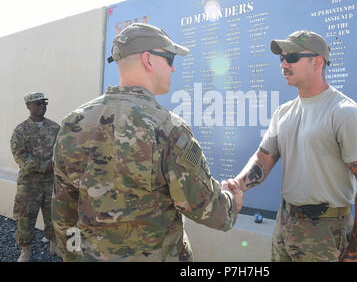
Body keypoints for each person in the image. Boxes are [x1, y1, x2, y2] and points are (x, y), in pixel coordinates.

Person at [51, 23, 243, 262]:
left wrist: (73, 257)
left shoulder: (72, 123)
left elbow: (63, 211)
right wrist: (232, 201)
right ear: (148, 60)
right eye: (170, 59)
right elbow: (211, 212)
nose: (173, 69)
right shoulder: (168, 128)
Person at [227, 30, 357, 262]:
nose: (283, 64)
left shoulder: (347, 114)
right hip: (285, 222)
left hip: (326, 230)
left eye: (291, 57)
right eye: (281, 58)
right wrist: (238, 185)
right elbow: (263, 159)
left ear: (317, 61)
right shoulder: (283, 112)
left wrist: (355, 249)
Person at [10, 92, 60, 262]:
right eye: (37, 104)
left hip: (51, 182)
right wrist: (43, 165)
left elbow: (61, 152)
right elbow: (20, 156)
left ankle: (55, 244)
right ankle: (26, 250)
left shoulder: (55, 128)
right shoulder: (21, 130)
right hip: (29, 184)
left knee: (54, 215)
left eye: (44, 103)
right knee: (25, 218)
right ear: (28, 106)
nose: (42, 106)